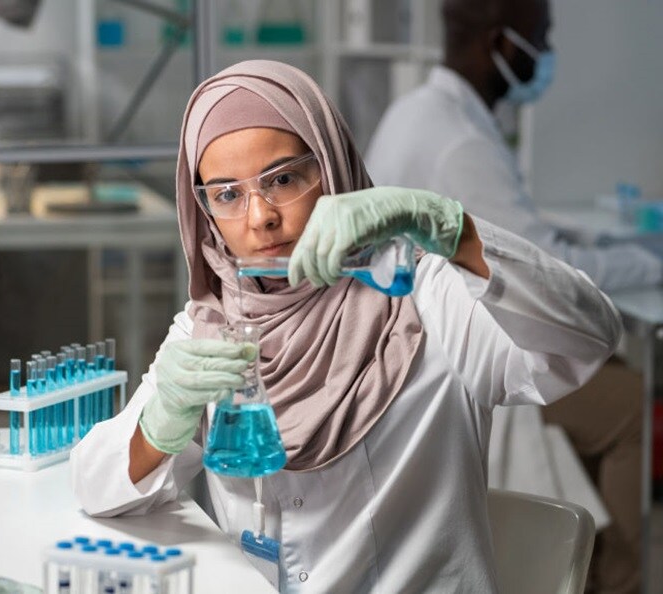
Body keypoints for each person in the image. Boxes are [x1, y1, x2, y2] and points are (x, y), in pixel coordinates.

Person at [70, 59, 621, 592]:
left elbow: (586, 337)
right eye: (228, 194)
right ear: (204, 212)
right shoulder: (211, 328)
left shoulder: (425, 296)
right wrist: (161, 421)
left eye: (282, 178)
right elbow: (97, 487)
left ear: (330, 167)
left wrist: (455, 232)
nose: (259, 215)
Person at [364, 1, 643, 590]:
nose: (546, 56)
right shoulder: (462, 141)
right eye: (541, 40)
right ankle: (619, 576)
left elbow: (522, 238)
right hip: (461, 358)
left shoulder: (416, 111)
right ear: (503, 43)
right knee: (628, 396)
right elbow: (554, 275)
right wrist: (643, 258)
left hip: (406, 342)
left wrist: (592, 238)